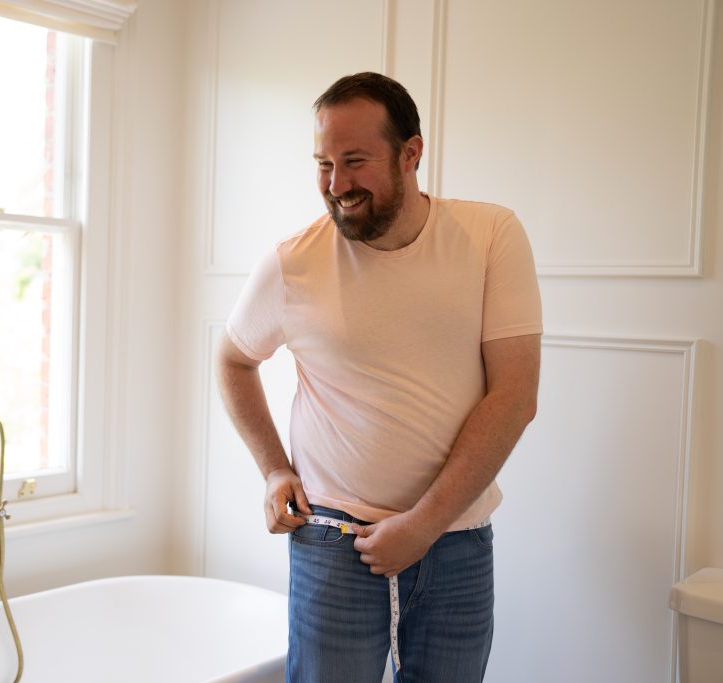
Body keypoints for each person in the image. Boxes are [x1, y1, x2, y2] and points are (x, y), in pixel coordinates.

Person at [215, 72, 542, 683]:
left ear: (411, 153)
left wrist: (423, 526)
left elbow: (515, 395)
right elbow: (232, 359)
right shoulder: (293, 261)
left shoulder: (491, 235)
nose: (336, 185)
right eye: (323, 164)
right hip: (333, 546)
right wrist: (274, 468)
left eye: (355, 161)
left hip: (457, 543)